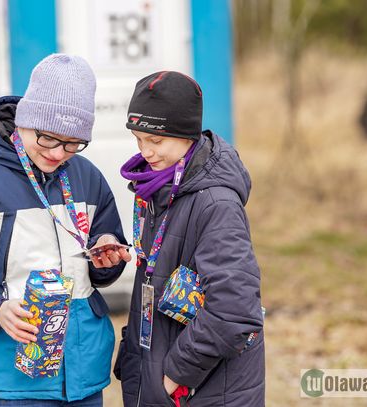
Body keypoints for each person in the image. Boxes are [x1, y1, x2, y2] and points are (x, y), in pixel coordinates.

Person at [0, 53, 131, 406]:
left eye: (73, 143)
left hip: (85, 375)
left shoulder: (87, 176)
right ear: (25, 121)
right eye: (48, 138)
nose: (59, 153)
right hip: (14, 379)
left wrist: (106, 258)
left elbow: (103, 264)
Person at [115, 71, 265, 406]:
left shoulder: (216, 204)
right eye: (139, 140)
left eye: (156, 141)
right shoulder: (160, 189)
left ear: (187, 136)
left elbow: (235, 310)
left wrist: (174, 377)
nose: (146, 152)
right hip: (157, 370)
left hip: (200, 389)